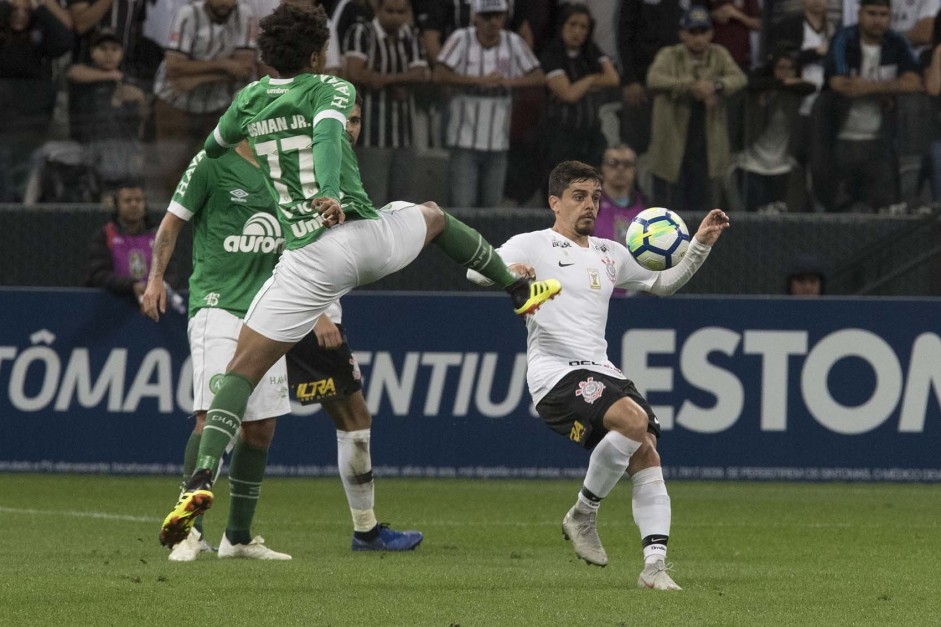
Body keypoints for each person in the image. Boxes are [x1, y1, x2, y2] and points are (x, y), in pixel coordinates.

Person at [156, 0, 561, 549]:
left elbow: (213, 146)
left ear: (265, 55)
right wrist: (327, 189)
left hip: (304, 260)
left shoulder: (247, 99)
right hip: (355, 238)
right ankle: (517, 287)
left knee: (238, 375)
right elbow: (327, 135)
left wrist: (246, 140)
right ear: (320, 52)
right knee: (435, 217)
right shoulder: (332, 88)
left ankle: (202, 476)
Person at [467, 160, 730, 590]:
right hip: (554, 372)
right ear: (554, 202)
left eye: (595, 197)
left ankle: (654, 568)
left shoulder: (610, 253)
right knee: (632, 421)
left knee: (645, 448)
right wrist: (508, 272)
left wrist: (699, 244)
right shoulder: (533, 244)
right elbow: (475, 269)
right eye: (578, 196)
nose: (589, 205)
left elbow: (664, 283)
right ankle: (583, 513)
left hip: (601, 369)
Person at [433, 0, 545, 208]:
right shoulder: (461, 38)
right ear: (476, 17)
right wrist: (479, 80)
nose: (492, 21)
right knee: (462, 209)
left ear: (504, 16)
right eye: (487, 16)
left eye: (497, 15)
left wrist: (507, 81)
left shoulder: (513, 41)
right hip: (464, 140)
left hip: (498, 142)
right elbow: (439, 73)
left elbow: (538, 76)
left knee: (491, 211)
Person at [817, 0, 921, 212]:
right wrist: (889, 88)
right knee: (837, 208)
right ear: (860, 13)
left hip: (880, 141)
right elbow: (838, 83)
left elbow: (914, 82)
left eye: (883, 14)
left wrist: (866, 87)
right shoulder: (844, 38)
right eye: (872, 13)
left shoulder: (898, 42)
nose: (877, 20)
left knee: (885, 207)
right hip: (841, 138)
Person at [645, 5, 747, 212]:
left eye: (703, 32)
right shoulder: (670, 54)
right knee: (667, 210)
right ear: (682, 34)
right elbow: (654, 78)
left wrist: (715, 86)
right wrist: (692, 86)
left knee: (702, 209)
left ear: (711, 33)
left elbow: (739, 78)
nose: (698, 38)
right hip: (672, 147)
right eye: (693, 32)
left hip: (706, 146)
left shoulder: (719, 54)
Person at [151, 0, 257, 198]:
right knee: (173, 167)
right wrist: (226, 65)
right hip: (176, 101)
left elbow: (244, 67)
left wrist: (198, 78)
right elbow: (174, 67)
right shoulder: (188, 14)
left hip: (217, 103)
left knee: (216, 166)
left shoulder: (244, 15)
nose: (225, 3)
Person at [342, 0, 429, 206]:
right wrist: (400, 81)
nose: (395, 17)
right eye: (390, 11)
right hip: (372, 135)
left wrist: (382, 80)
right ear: (377, 9)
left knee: (402, 204)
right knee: (373, 200)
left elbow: (421, 74)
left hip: (404, 135)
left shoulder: (411, 35)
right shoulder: (361, 33)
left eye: (401, 12)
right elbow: (355, 73)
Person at [538, 2, 620, 199]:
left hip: (590, 136)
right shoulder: (551, 54)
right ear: (562, 26)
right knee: (561, 193)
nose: (577, 31)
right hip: (560, 138)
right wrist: (591, 79)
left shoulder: (592, 52)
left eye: (583, 27)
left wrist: (581, 83)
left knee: (591, 191)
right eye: (572, 25)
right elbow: (568, 94)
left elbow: (613, 78)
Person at [0, 0, 74, 201]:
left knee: (24, 179)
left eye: (26, 11)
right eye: (15, 10)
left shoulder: (40, 38)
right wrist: (5, 6)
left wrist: (39, 8)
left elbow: (64, 43)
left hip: (30, 125)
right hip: (2, 124)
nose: (20, 14)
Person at [67, 27, 148, 191]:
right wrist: (111, 76)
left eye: (114, 49)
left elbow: (144, 119)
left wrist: (139, 99)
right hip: (89, 147)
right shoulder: (84, 79)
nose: (109, 54)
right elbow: (73, 72)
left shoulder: (131, 81)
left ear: (122, 53)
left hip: (126, 148)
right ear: (92, 52)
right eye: (103, 49)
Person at [85, 182, 170, 303]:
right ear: (117, 205)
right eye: (127, 200)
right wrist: (130, 286)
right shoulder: (105, 235)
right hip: (113, 304)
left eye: (138, 200)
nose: (134, 204)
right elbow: (99, 274)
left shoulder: (158, 236)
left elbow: (171, 271)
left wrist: (157, 286)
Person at [594, 144, 645, 245]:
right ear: (602, 167)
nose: (620, 168)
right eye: (613, 163)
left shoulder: (647, 206)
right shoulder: (590, 202)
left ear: (635, 170)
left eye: (627, 164)